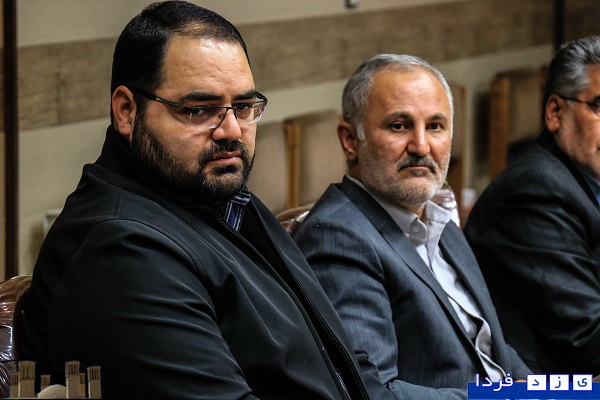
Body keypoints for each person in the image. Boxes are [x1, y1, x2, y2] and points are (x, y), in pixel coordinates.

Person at [20, 3, 398, 399]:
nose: (231, 131)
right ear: (127, 111)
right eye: (199, 110)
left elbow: (344, 362)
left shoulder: (220, 198)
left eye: (244, 107)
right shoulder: (118, 248)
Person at [294, 54, 531, 400]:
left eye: (435, 126)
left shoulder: (435, 213)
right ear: (350, 140)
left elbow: (493, 349)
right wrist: (502, 397)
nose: (421, 146)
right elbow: (374, 393)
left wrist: (560, 391)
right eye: (399, 126)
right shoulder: (337, 237)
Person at [464, 36, 600, 375]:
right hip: (533, 387)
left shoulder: (583, 176)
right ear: (555, 112)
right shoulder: (536, 191)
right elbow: (588, 339)